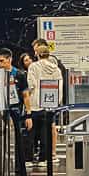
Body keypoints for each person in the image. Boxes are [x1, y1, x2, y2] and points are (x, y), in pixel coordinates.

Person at [0, 47, 35, 176]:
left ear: (9, 59)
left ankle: (19, 171)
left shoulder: (19, 74)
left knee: (19, 142)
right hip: (0, 111)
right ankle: (1, 173)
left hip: (16, 111)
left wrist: (28, 114)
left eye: (2, 61)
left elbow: (25, 96)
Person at [26, 39, 65, 167]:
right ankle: (44, 158)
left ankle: (29, 158)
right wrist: (56, 103)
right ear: (49, 55)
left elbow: (30, 85)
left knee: (31, 132)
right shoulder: (56, 69)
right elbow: (59, 88)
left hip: (34, 103)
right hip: (49, 104)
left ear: (37, 54)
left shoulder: (33, 66)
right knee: (46, 132)